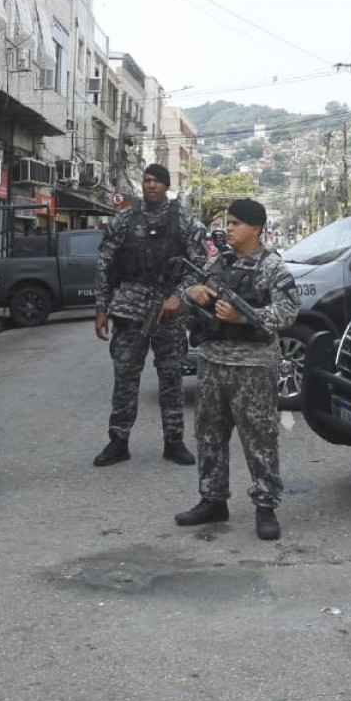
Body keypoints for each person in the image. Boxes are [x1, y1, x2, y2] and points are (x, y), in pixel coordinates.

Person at [173, 197, 300, 541]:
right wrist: (193, 294)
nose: (228, 229)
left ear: (256, 229)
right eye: (227, 223)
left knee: (259, 436)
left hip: (253, 366)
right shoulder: (219, 263)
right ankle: (212, 499)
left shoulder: (273, 268)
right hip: (214, 361)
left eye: (236, 224)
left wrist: (244, 317)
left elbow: (288, 312)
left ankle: (265, 506)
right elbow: (191, 299)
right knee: (209, 434)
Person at [92, 163, 206, 466]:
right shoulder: (126, 217)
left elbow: (199, 267)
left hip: (168, 311)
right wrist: (102, 307)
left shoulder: (182, 220)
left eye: (156, 180)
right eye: (146, 180)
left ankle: (174, 441)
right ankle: (118, 441)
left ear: (167, 185)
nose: (150, 185)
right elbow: (105, 262)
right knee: (125, 376)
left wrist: (177, 297)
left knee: (171, 377)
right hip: (129, 306)